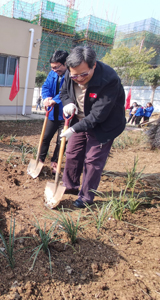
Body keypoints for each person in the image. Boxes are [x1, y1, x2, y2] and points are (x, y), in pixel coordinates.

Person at [59, 46, 126, 208]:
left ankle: (86, 196)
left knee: (92, 160)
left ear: (93, 65)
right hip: (79, 119)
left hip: (104, 124)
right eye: (75, 75)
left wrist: (73, 130)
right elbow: (64, 92)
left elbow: (98, 115)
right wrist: (68, 103)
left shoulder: (109, 79)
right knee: (72, 152)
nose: (79, 78)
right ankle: (70, 185)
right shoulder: (71, 72)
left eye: (84, 74)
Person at [40, 50, 68, 175]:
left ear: (65, 63)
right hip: (52, 113)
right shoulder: (52, 74)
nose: (55, 70)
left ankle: (55, 162)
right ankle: (40, 160)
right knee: (45, 138)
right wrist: (46, 98)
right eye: (52, 68)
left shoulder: (71, 75)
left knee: (61, 141)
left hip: (65, 114)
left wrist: (55, 100)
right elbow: (45, 86)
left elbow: (66, 92)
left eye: (57, 67)